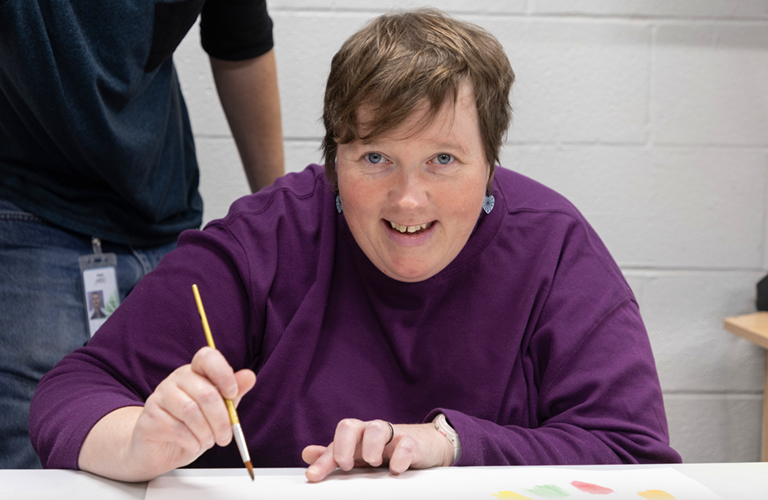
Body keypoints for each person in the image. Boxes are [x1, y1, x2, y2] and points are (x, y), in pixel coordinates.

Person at [29, 8, 681, 482]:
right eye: (374, 157)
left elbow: (634, 451)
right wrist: (138, 441)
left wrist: (450, 444)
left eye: (444, 160)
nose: (408, 199)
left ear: (492, 165)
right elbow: (70, 393)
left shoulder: (555, 249)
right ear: (333, 161)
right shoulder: (270, 238)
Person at [0, 0, 284, 469]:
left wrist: (279, 219)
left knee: (181, 454)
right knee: (43, 465)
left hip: (164, 218)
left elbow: (241, 41)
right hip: (30, 217)